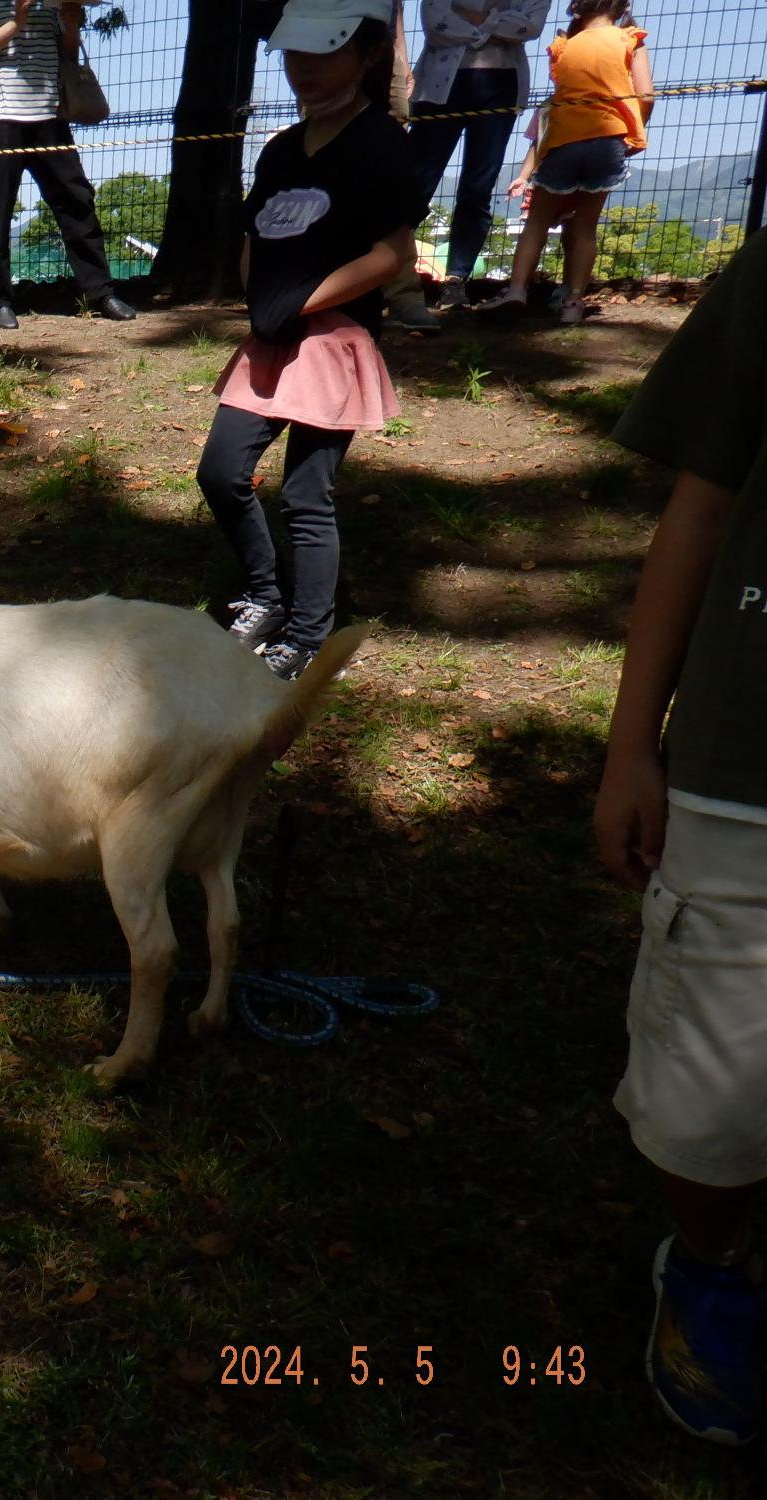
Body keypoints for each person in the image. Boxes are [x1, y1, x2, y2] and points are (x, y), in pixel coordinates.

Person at [594, 231, 767, 1449]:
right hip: (740, 769)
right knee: (700, 1106)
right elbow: (698, 504)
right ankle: (708, 1264)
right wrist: (629, 745)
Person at [195, 0, 422, 682]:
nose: (306, 72)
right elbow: (254, 237)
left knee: (304, 496)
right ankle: (264, 597)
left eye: (323, 56)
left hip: (335, 343)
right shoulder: (280, 150)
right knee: (220, 470)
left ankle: (309, 636)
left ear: (366, 55)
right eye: (296, 57)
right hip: (272, 340)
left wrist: (306, 301)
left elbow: (394, 256)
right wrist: (259, 295)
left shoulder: (381, 143)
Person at [0, 0, 135, 330]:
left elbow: (68, 54)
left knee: (76, 198)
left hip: (48, 114)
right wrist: (15, 23)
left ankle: (100, 293)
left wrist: (71, 21)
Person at [478, 0, 652, 325]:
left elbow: (554, 104)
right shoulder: (631, 39)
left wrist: (527, 170)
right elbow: (646, 96)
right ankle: (573, 303)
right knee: (585, 226)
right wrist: (633, 135)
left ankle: (516, 290)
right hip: (608, 139)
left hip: (564, 138)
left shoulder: (565, 45)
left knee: (537, 221)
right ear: (622, 6)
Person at [384, 0, 552, 328]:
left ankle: (456, 280)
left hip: (502, 88)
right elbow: (436, 24)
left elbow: (529, 27)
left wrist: (475, 18)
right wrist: (496, 24)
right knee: (416, 182)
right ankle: (387, 273)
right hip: (438, 86)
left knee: (478, 186)